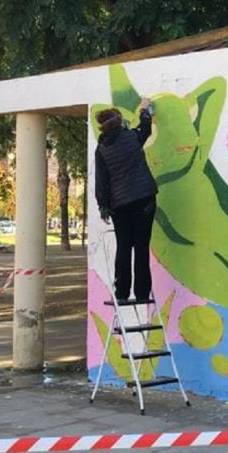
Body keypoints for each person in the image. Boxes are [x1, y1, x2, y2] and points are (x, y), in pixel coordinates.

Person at [95, 98, 158, 304]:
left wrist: (103, 206)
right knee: (141, 246)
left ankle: (121, 292)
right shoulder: (131, 138)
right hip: (143, 200)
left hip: (119, 205)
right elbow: (145, 129)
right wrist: (144, 111)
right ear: (119, 122)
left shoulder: (102, 149)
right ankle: (141, 293)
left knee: (123, 247)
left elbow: (101, 181)